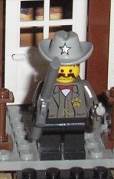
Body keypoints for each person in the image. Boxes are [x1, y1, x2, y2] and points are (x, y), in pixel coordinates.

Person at [31, 30, 104, 160]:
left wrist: (95, 110)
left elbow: (92, 100)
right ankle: (49, 152)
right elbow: (36, 100)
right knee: (50, 142)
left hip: (77, 120)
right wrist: (36, 111)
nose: (66, 73)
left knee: (75, 142)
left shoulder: (83, 86)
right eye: (62, 68)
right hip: (51, 120)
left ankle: (75, 153)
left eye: (71, 68)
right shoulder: (45, 86)